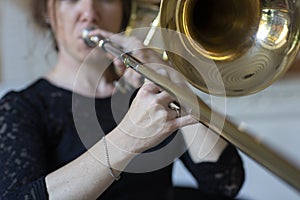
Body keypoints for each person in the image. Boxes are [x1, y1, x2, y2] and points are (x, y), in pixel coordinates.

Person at [0, 0, 245, 199]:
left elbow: (224, 182)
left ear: (124, 11)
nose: (89, 13)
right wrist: (128, 138)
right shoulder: (21, 108)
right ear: (48, 12)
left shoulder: (148, 96)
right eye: (72, 0)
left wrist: (174, 82)